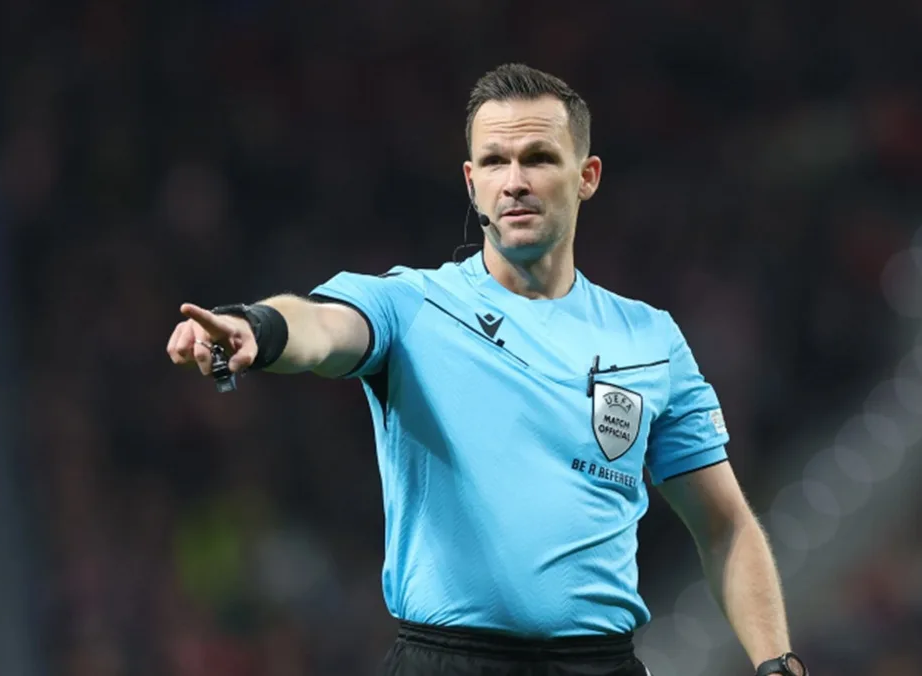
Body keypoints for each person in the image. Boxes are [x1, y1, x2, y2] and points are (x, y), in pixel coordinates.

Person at [166, 63, 807, 676]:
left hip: (600, 663)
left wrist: (778, 663)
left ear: (587, 176)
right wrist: (257, 327)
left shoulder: (649, 338)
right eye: (496, 161)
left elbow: (725, 527)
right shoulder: (413, 305)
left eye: (539, 158)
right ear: (471, 183)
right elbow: (322, 326)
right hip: (446, 662)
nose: (515, 181)